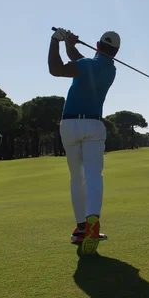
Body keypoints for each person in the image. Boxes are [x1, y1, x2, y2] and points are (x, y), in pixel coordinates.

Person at [48, 27, 120, 255]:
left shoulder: (87, 65)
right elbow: (81, 61)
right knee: (93, 174)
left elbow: (56, 69)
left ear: (97, 46)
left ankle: (81, 228)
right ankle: (93, 222)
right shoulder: (110, 70)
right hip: (93, 125)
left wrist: (55, 41)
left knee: (76, 177)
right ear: (115, 53)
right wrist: (71, 46)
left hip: (69, 124)